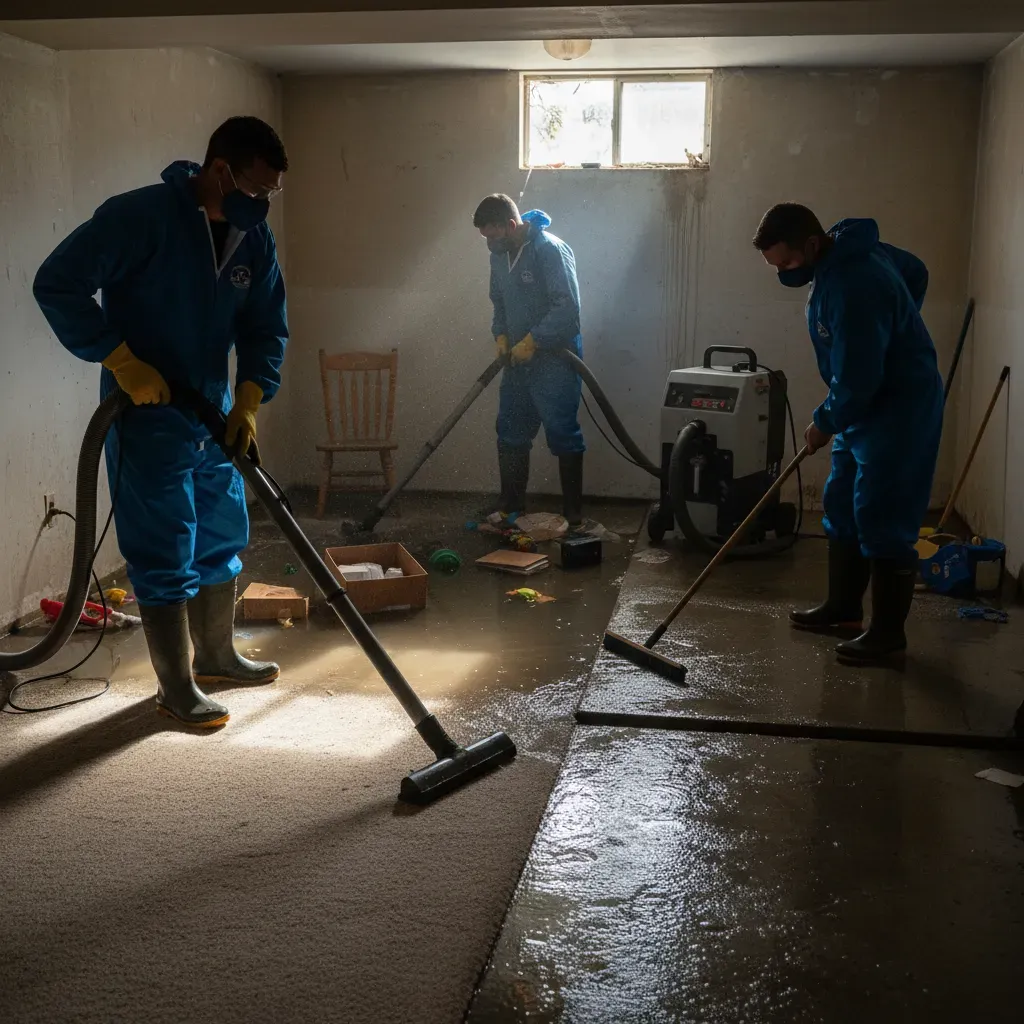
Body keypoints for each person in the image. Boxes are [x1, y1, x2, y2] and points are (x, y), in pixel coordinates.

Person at [34, 116, 290, 726]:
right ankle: (176, 686)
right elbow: (57, 283)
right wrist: (120, 360)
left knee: (222, 527)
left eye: (271, 194)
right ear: (221, 170)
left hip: (213, 410)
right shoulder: (139, 217)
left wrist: (249, 398)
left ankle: (218, 655)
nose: (262, 203)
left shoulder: (253, 238)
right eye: (257, 189)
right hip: (147, 409)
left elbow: (265, 324)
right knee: (164, 540)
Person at [753, 203, 942, 666]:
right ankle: (843, 609)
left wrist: (823, 421)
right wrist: (898, 324)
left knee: (883, 513)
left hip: (897, 406)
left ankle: (888, 636)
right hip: (861, 404)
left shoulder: (854, 283)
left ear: (811, 244)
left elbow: (859, 378)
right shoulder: (844, 254)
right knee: (841, 501)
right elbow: (915, 271)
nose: (783, 272)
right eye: (775, 266)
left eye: (786, 262)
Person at [473, 194, 587, 529]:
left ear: (511, 225)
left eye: (493, 235)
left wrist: (535, 339)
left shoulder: (549, 249)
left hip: (555, 361)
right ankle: (511, 504)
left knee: (562, 431)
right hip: (517, 361)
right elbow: (498, 302)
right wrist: (501, 335)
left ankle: (573, 512)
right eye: (484, 237)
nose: (489, 243)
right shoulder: (499, 257)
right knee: (510, 430)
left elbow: (567, 308)